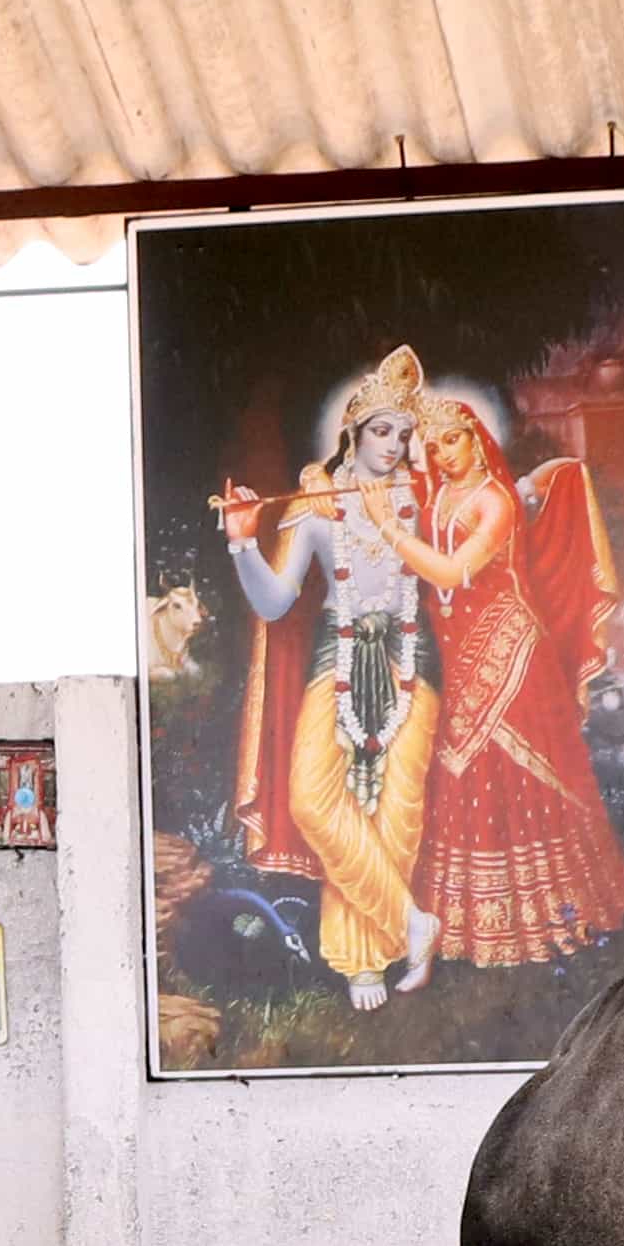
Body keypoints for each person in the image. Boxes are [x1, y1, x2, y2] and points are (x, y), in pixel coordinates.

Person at [352, 383, 624, 975]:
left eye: (453, 439)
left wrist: (388, 527)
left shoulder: (496, 501)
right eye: (432, 446)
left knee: (512, 771)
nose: (443, 454)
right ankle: (456, 922)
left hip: (511, 651)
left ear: (477, 440)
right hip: (455, 651)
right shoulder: (439, 494)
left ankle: (544, 917)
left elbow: (453, 572)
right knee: (458, 772)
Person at [211, 357, 435, 1006]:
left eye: (401, 434)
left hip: (409, 664)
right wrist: (241, 543)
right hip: (333, 665)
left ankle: (364, 963)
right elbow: (277, 603)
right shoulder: (316, 506)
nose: (392, 446)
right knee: (316, 800)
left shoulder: (418, 501)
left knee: (387, 816)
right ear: (352, 434)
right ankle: (411, 922)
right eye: (380, 432)